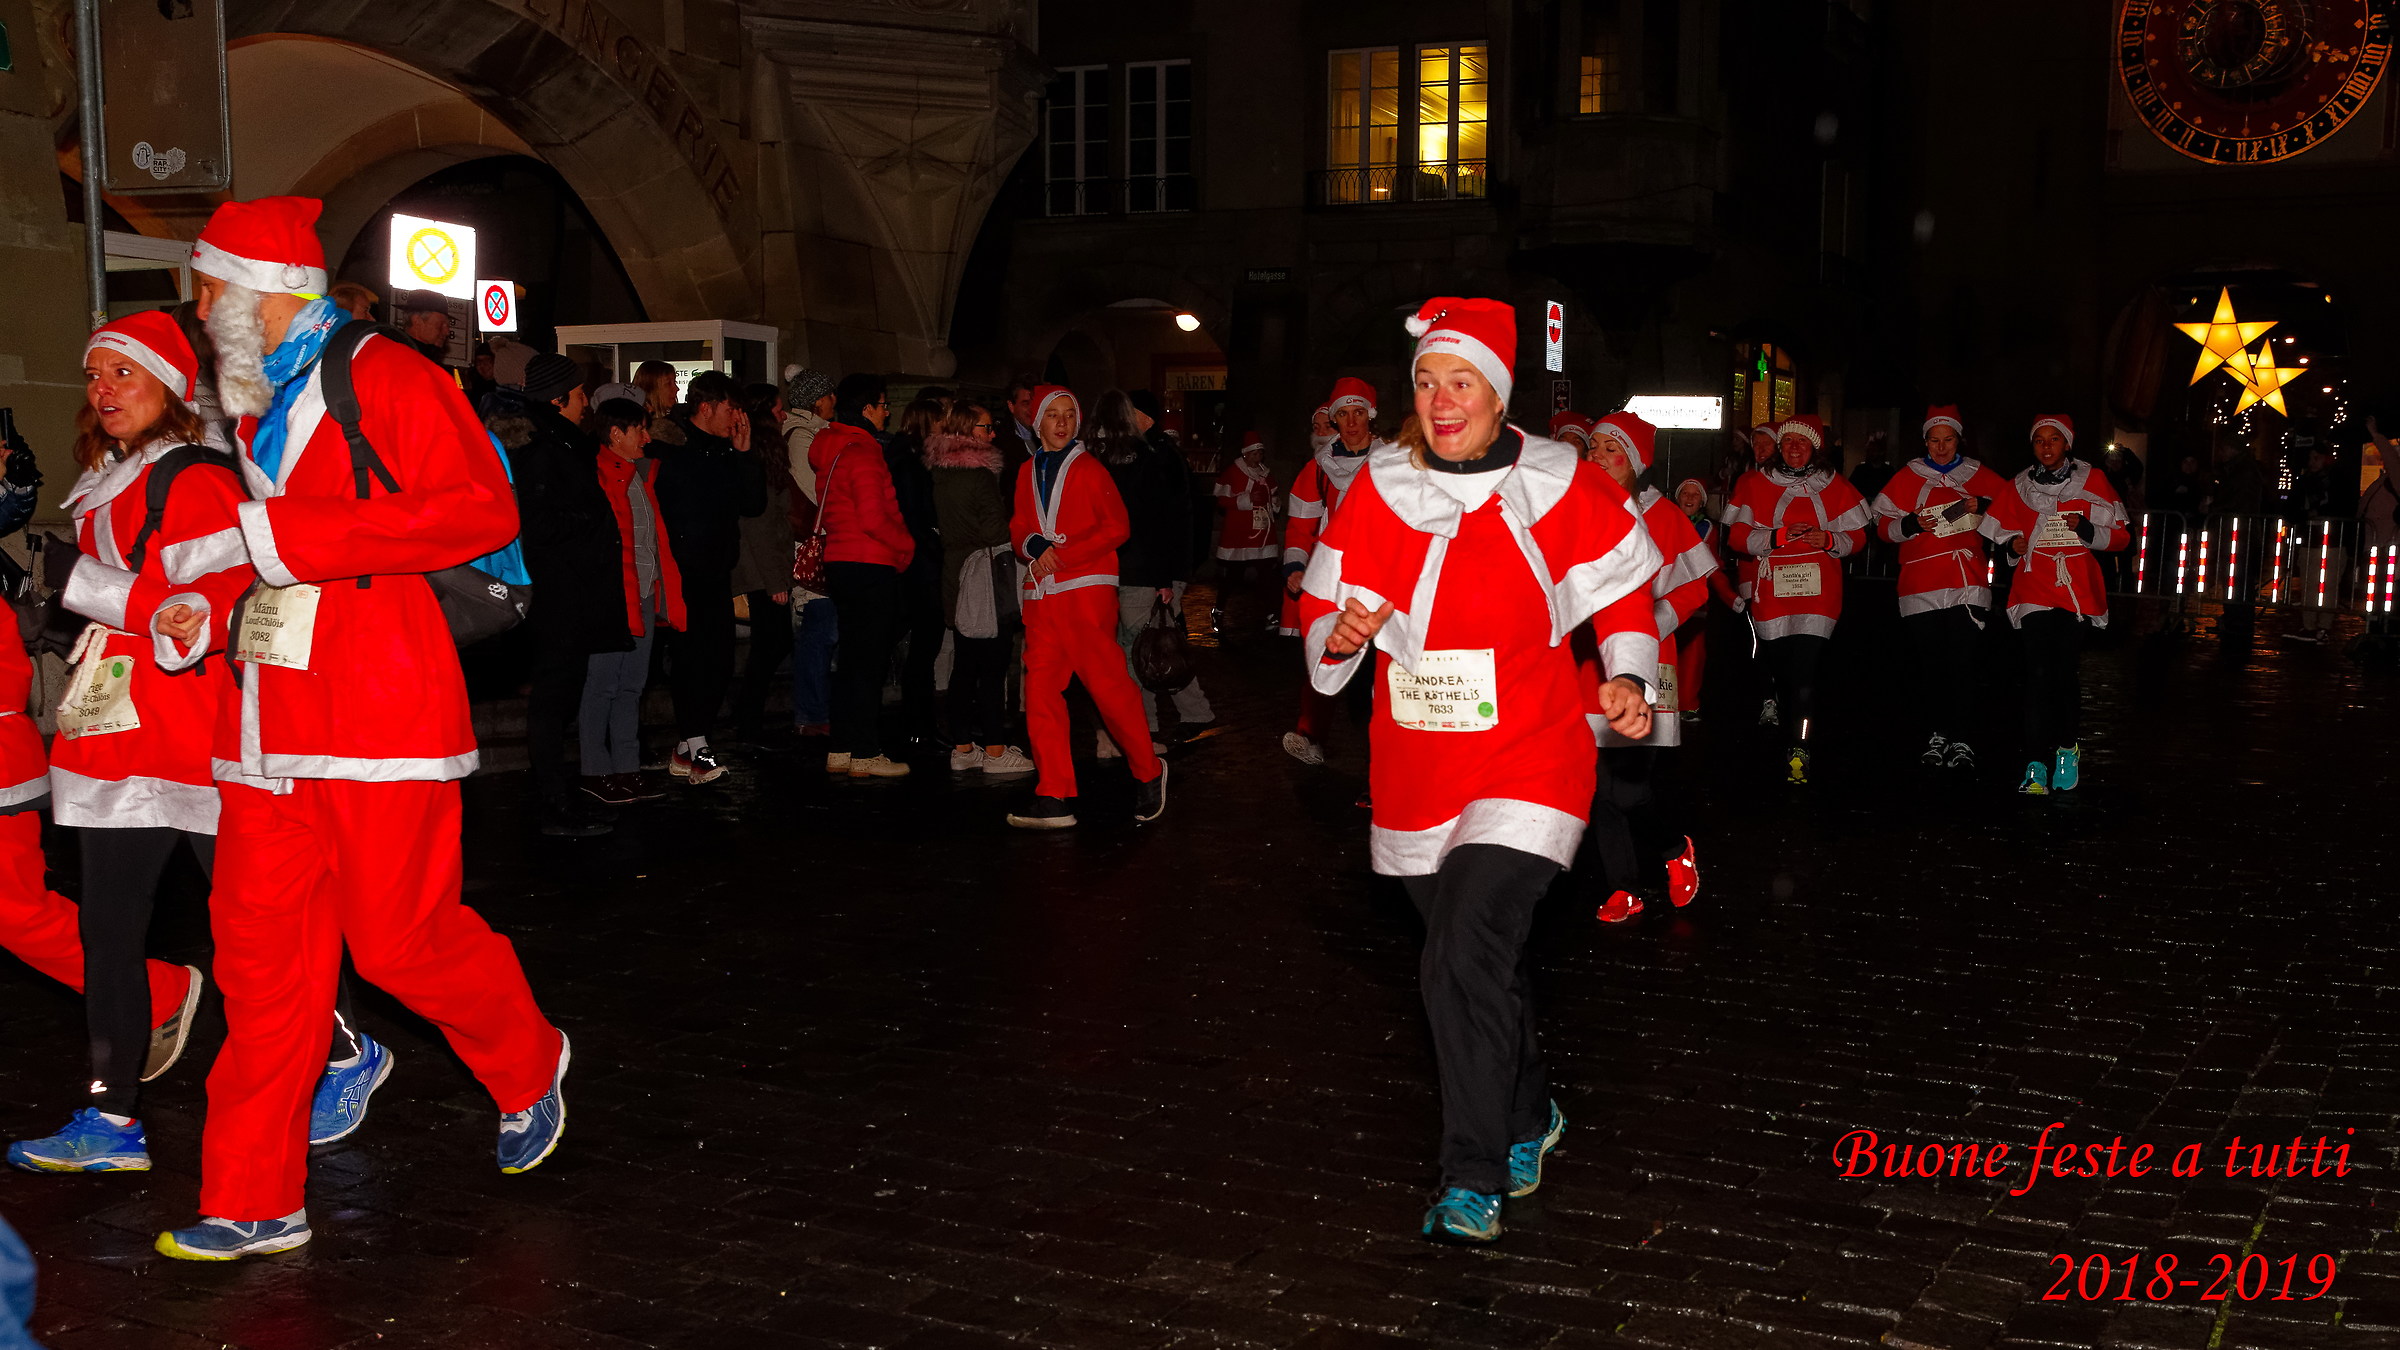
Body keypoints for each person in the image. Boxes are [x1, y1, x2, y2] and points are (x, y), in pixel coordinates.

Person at [171, 194, 567, 1259]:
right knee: (260, 968)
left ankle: (529, 1060)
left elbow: (481, 509)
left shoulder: (388, 374)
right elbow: (262, 559)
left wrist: (275, 535)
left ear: (262, 293)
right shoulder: (249, 402)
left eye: (208, 289)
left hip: (381, 714)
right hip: (264, 720)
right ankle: (253, 1196)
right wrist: (190, 614)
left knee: (399, 943)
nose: (197, 307)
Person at [1296, 298, 1659, 1244]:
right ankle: (1531, 1112)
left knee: (1461, 948)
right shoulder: (1375, 487)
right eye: (1426, 381)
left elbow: (1623, 590)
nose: (1441, 399)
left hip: (1533, 753)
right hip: (1418, 762)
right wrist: (1337, 636)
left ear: (1499, 395)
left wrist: (1626, 675)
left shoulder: (1561, 482)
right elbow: (1323, 605)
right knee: (1476, 962)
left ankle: (1473, 1172)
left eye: (1461, 382)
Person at [12, 313, 382, 1175]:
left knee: (260, 923)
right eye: (95, 374)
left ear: (172, 388)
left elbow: (213, 608)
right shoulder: (109, 477)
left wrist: (91, 588)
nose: (103, 389)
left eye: (122, 374)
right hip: (122, 737)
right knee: (108, 931)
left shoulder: (193, 480)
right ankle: (112, 1115)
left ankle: (342, 1050)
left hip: (202, 735)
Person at [1004, 386, 1168, 830]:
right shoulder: (1026, 471)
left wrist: (1062, 553)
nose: (1061, 422)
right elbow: (1019, 524)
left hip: (1085, 594)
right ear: (1037, 424)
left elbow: (1118, 527)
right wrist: (1033, 544)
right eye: (1052, 415)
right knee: (1039, 696)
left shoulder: (1091, 470)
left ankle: (1148, 770)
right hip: (1042, 599)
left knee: (1109, 690)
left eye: (1068, 415)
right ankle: (1054, 793)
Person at [1575, 413, 1714, 925]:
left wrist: (1649, 623)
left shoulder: (1662, 514)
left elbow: (1696, 586)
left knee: (1630, 790)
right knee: (1597, 789)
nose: (1598, 456)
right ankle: (1623, 888)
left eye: (1612, 449)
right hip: (1591, 667)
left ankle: (1676, 848)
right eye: (1593, 447)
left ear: (1634, 462)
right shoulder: (1574, 509)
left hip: (1649, 662)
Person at [487, 353, 618, 834]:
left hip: (571, 593)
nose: (587, 403)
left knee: (561, 698)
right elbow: (538, 523)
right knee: (553, 700)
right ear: (559, 398)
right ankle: (553, 803)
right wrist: (587, 523)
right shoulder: (544, 447)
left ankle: (559, 796)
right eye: (581, 395)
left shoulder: (560, 441)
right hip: (558, 596)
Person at [1982, 414, 2128, 795]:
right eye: (2039, 441)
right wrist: (2011, 546)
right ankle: (2034, 762)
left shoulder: (2092, 480)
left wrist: (2086, 529)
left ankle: (2066, 750)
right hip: (2034, 589)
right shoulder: (2018, 485)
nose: (2046, 447)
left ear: (2067, 444)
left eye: (2054, 440)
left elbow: (2120, 539)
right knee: (2037, 676)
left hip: (2075, 591)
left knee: (2063, 676)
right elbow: (2006, 534)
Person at [1724, 415, 1869, 784]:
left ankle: (1799, 748)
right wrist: (1777, 536)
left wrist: (1831, 540)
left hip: (1819, 592)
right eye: (1787, 441)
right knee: (1784, 670)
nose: (1793, 448)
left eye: (1801, 443)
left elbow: (1858, 537)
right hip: (1773, 592)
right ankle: (1786, 721)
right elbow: (1738, 538)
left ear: (1814, 449)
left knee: (1805, 675)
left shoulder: (1834, 485)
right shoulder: (1757, 484)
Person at [1870, 405, 2010, 770]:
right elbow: (1883, 528)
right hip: (1920, 587)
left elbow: (2012, 512)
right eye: (1934, 440)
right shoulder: (1908, 476)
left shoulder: (1978, 473)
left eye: (1948, 440)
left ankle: (1962, 737)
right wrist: (1912, 524)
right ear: (1925, 441)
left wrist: (1988, 504)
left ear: (1958, 439)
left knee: (1962, 665)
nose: (1941, 447)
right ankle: (1937, 733)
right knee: (1932, 666)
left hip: (1967, 583)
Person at [651, 370, 767, 786]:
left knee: (718, 661)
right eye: (731, 408)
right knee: (692, 659)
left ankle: (688, 746)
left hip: (717, 570)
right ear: (706, 407)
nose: (737, 416)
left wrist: (744, 452)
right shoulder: (672, 448)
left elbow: (753, 504)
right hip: (681, 571)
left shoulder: (725, 450)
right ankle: (695, 742)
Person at [1094, 389, 1213, 750]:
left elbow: (1163, 518)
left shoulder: (1152, 455)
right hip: (1152, 567)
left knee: (1147, 650)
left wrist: (1169, 575)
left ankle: (1145, 727)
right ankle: (1195, 713)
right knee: (1160, 645)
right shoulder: (1147, 453)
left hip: (1148, 569)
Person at [580, 399, 683, 804]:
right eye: (639, 429)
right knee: (602, 685)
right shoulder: (597, 473)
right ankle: (595, 770)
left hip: (641, 591)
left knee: (631, 686)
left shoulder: (639, 472)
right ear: (615, 434)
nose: (647, 437)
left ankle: (626, 768)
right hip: (613, 596)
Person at [812, 376, 915, 778]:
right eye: (883, 404)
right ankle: (866, 751)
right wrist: (906, 547)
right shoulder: (864, 453)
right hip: (870, 563)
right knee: (867, 662)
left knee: (851, 659)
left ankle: (841, 747)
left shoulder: (833, 449)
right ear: (867, 409)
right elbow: (875, 518)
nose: (887, 411)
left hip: (841, 560)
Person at [1281, 378, 1386, 765]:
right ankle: (1310, 734)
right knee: (1323, 653)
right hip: (1332, 579)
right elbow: (1300, 523)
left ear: (1370, 416)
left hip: (1378, 581)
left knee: (1376, 674)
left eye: (1359, 412)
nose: (1352, 421)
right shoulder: (1318, 467)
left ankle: (1384, 759)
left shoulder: (1392, 462)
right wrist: (1295, 564)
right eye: (1343, 414)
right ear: (1334, 419)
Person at [926, 403, 1035, 775]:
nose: (993, 435)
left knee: (963, 666)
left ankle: (963, 747)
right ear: (970, 430)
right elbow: (995, 531)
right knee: (992, 667)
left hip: (955, 575)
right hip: (985, 578)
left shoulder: (939, 471)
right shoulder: (978, 475)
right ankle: (994, 750)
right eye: (987, 428)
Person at [728, 383, 797, 740]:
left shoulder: (763, 453)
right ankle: (747, 721)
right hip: (759, 569)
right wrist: (774, 582)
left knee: (773, 643)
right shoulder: (757, 454)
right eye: (777, 409)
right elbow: (759, 525)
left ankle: (747, 719)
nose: (783, 415)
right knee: (772, 643)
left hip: (764, 566)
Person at [883, 393, 948, 750]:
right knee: (923, 649)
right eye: (939, 423)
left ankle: (918, 722)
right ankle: (918, 723)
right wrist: (936, 542)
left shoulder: (907, 458)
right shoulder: (910, 463)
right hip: (919, 566)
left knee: (921, 648)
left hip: (916, 563)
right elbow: (916, 516)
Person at [780, 368, 839, 737]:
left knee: (823, 630)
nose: (835, 401)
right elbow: (817, 488)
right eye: (830, 395)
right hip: (811, 547)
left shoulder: (816, 432)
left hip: (820, 542)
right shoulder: (802, 437)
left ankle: (816, 711)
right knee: (820, 630)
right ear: (819, 400)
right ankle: (811, 714)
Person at [1671, 478, 1739, 722]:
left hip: (1695, 600)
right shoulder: (1664, 520)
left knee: (1693, 653)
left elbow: (1711, 566)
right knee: (1664, 651)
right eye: (1685, 493)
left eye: (1695, 495)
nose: (1689, 498)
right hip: (1664, 597)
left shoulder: (1707, 528)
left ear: (1702, 501)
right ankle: (1663, 703)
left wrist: (1729, 596)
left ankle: (1688, 703)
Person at [1212, 433, 1278, 587]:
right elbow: (1222, 500)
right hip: (1240, 532)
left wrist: (1272, 501)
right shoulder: (1233, 473)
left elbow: (1274, 495)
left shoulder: (1265, 474)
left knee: (1266, 572)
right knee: (1234, 574)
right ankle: (1220, 608)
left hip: (1262, 532)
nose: (1258, 457)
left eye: (1260, 453)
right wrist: (1246, 499)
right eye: (1254, 453)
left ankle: (1269, 609)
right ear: (1245, 454)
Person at [634, 360, 686, 448]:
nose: (676, 389)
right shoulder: (639, 430)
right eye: (668, 384)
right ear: (651, 388)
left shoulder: (679, 419)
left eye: (675, 382)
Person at [397, 291, 454, 368]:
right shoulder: (398, 359)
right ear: (417, 321)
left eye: (447, 325)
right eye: (441, 324)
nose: (447, 332)